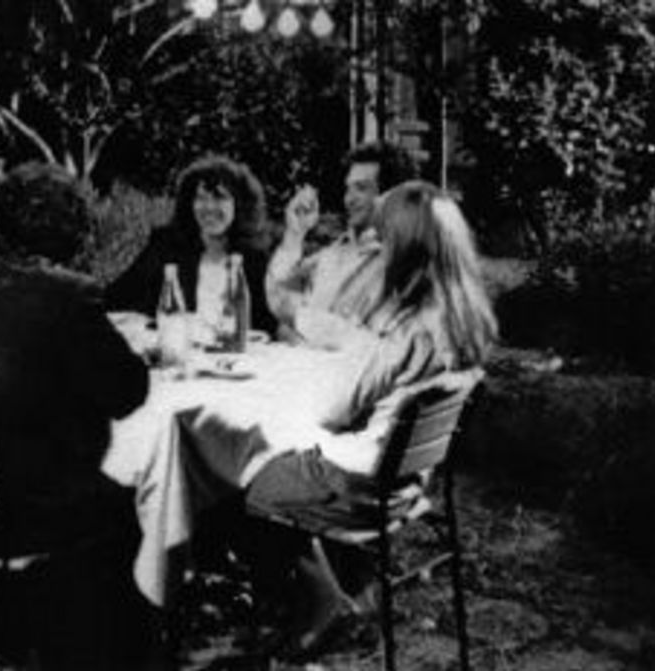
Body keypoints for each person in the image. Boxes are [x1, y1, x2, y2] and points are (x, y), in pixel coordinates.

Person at [0, 162, 160, 670]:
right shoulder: (67, 294)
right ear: (70, 227)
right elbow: (127, 392)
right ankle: (123, 651)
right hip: (18, 513)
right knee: (139, 500)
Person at [244, 180, 498, 651]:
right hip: (411, 475)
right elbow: (379, 368)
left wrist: (314, 344)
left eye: (385, 239)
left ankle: (325, 601)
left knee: (244, 476)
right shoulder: (460, 311)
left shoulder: (411, 326)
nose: (377, 249)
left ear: (409, 246)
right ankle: (352, 589)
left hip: (367, 486)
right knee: (277, 451)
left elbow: (342, 404)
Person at [266, 142, 418, 348]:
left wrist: (300, 324)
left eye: (362, 188)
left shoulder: (404, 263)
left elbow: (375, 347)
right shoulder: (337, 251)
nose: (349, 199)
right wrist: (295, 233)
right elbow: (278, 296)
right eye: (348, 188)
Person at [106, 155, 278, 337]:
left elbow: (272, 321)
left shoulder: (255, 258)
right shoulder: (165, 247)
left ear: (240, 205)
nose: (209, 207)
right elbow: (115, 299)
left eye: (220, 198)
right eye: (201, 198)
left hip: (239, 358)